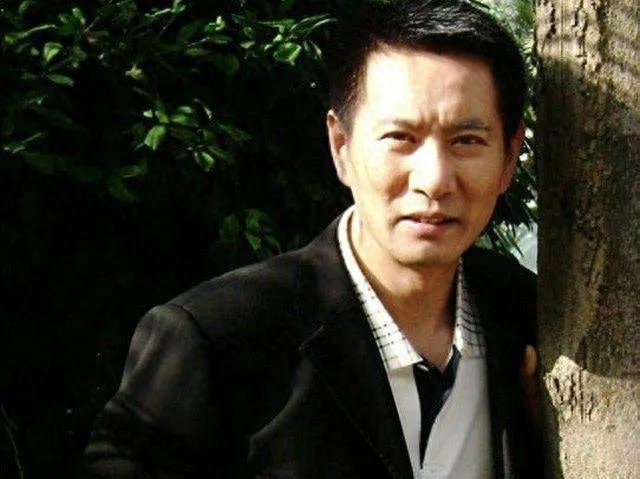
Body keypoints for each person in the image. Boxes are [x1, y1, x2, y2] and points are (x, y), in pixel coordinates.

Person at [83, 1, 542, 477]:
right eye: (401, 138)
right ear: (341, 146)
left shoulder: (531, 321)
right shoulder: (216, 340)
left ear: (509, 159)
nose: (434, 180)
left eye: (467, 141)